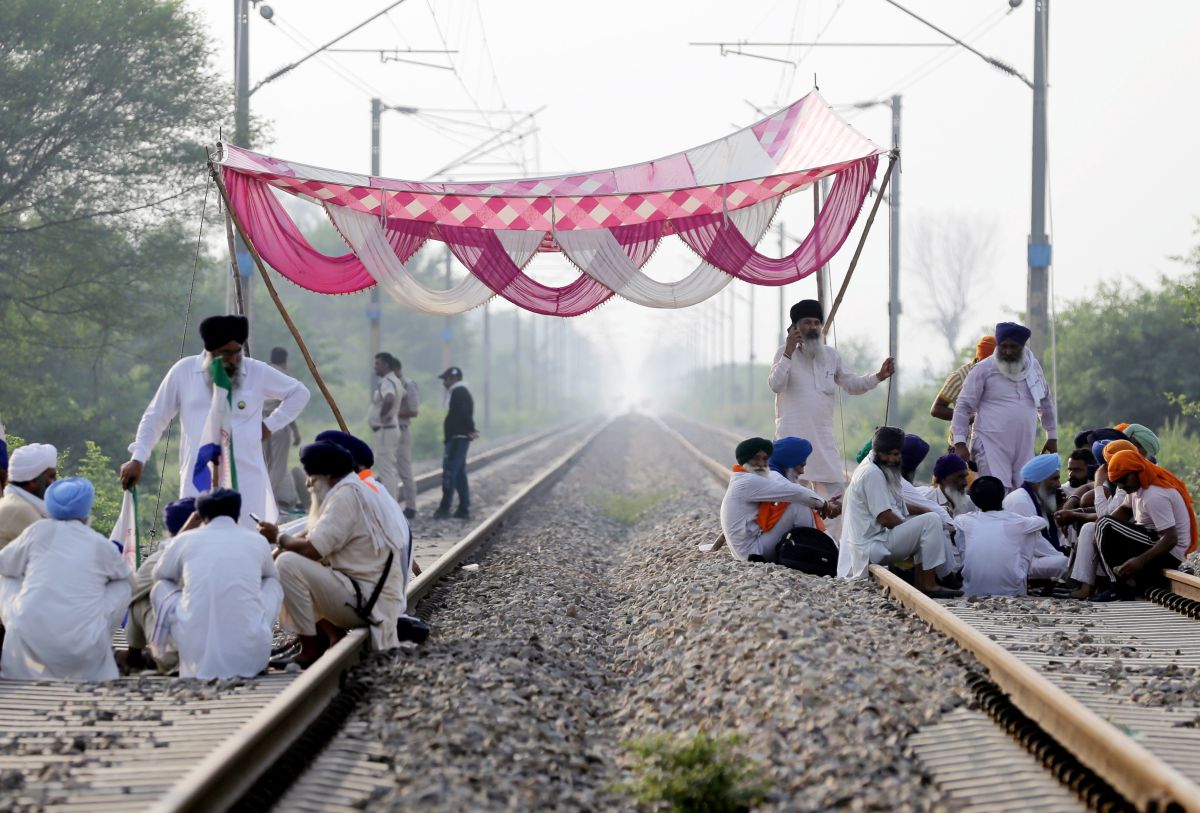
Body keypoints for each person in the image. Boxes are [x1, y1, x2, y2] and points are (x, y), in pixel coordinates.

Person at [121, 315, 311, 530]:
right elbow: (155, 416)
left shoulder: (255, 371)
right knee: (195, 538)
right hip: (199, 475)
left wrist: (270, 425)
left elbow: (299, 393)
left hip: (246, 477)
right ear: (210, 351)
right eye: (225, 353)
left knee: (248, 539)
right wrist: (138, 458)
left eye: (237, 351)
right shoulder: (184, 372)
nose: (233, 359)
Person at [261, 441, 408, 666]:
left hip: (368, 603)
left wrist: (278, 538)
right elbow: (311, 533)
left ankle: (311, 650)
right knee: (290, 558)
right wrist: (278, 547)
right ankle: (333, 638)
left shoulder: (345, 496)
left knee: (288, 564)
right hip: (368, 595)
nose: (308, 483)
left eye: (312, 476)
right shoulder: (352, 488)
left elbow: (312, 549)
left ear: (329, 475)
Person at [768, 299, 895, 538]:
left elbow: (852, 384)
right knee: (792, 498)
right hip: (792, 442)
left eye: (817, 322)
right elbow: (776, 385)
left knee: (836, 496)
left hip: (823, 442)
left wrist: (879, 376)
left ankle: (834, 549)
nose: (813, 327)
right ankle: (791, 545)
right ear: (795, 328)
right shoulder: (784, 355)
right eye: (807, 323)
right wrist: (787, 351)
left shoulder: (831, 356)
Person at [0, 478, 134, 681]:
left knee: (6, 577)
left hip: (29, 641)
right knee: (123, 584)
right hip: (83, 648)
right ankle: (103, 638)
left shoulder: (37, 531)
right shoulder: (98, 543)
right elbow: (131, 580)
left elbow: (4, 565)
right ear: (86, 507)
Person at [150, 488, 282, 679]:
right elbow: (270, 576)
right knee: (272, 584)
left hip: (195, 654)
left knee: (160, 588)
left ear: (202, 516)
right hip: (251, 659)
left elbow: (160, 575)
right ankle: (255, 637)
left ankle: (174, 653)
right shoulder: (257, 541)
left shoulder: (185, 539)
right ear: (237, 513)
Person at [839, 427, 958, 597]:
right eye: (887, 454)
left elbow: (897, 505)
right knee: (931, 520)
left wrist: (917, 520)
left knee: (926, 520)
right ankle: (929, 585)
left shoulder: (877, 466)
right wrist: (912, 529)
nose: (891, 459)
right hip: (871, 547)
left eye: (895, 454)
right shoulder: (873, 474)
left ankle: (921, 584)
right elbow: (886, 518)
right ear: (877, 451)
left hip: (871, 542)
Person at [951, 321, 1057, 490]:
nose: (1008, 352)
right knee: (995, 492)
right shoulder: (983, 369)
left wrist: (1051, 435)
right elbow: (963, 405)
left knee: (1022, 492)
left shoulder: (1033, 367)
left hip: (1024, 444)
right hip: (990, 443)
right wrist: (960, 443)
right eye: (1004, 346)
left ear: (1022, 347)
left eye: (1013, 347)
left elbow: (1045, 400)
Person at [1093, 450, 1196, 600]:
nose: (1121, 487)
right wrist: (1101, 535)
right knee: (1101, 526)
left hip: (1169, 552)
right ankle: (1129, 582)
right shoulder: (1137, 487)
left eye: (1123, 480)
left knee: (1103, 523)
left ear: (1137, 471)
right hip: (1153, 541)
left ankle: (1118, 587)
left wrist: (1140, 561)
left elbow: (1170, 538)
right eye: (1117, 483)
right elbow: (1124, 509)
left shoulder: (1154, 495)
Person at [315, 429, 415, 579]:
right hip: (385, 588)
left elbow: (315, 543)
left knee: (289, 564)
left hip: (370, 592)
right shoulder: (374, 488)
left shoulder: (353, 495)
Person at [719, 437, 836, 563]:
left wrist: (819, 503)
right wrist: (825, 505)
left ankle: (826, 550)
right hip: (752, 552)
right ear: (745, 460)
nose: (762, 463)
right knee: (797, 505)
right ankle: (828, 553)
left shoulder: (745, 478)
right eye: (756, 459)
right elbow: (795, 492)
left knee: (797, 502)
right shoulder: (748, 481)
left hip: (747, 550)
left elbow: (788, 488)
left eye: (765, 459)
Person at [125, 497, 198, 672]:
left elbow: (129, 593)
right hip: (233, 650)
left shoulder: (160, 559)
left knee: (140, 600)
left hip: (183, 661)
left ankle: (133, 657)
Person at [955, 476, 1052, 597]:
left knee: (961, 533)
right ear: (1002, 496)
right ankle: (1019, 583)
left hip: (972, 591)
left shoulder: (964, 520)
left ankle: (969, 569)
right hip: (1011, 592)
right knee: (1030, 532)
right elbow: (1041, 522)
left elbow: (956, 521)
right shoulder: (1016, 521)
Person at [1000, 453, 1070, 581]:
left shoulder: (1039, 500)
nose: (1059, 484)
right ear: (1038, 481)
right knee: (1064, 562)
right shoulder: (1019, 501)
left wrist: (1059, 509)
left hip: (1031, 557)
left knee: (1066, 559)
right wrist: (1062, 555)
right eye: (1054, 479)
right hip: (1017, 562)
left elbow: (1049, 536)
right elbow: (1036, 542)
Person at [370, 353, 420, 519]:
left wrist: (387, 413)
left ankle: (397, 508)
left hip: (391, 429)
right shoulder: (398, 382)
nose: (375, 367)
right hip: (393, 428)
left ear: (387, 365)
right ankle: (395, 506)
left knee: (391, 470)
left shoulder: (390, 383)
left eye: (377, 364)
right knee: (389, 469)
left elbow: (392, 399)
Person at [930, 335, 996, 450]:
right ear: (979, 359)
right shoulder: (960, 376)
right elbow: (937, 409)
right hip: (962, 446)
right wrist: (967, 418)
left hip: (991, 445)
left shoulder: (1001, 376)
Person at [433, 367, 478, 520]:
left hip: (457, 439)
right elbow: (463, 412)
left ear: (454, 378)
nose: (444, 382)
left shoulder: (458, 392)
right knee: (459, 474)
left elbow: (463, 412)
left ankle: (445, 508)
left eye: (446, 379)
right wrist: (470, 429)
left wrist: (470, 429)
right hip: (459, 438)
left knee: (450, 472)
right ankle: (463, 508)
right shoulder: (461, 392)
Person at [263, 347, 302, 512]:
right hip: (278, 425)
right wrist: (296, 431)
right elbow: (287, 407)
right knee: (279, 467)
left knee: (268, 464)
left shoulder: (262, 373)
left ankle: (270, 500)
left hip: (261, 424)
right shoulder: (284, 377)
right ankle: (268, 502)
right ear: (285, 359)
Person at [0, 443, 57, 549]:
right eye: (51, 477)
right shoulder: (18, 508)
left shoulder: (13, 501)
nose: (55, 483)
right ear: (32, 480)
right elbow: (55, 550)